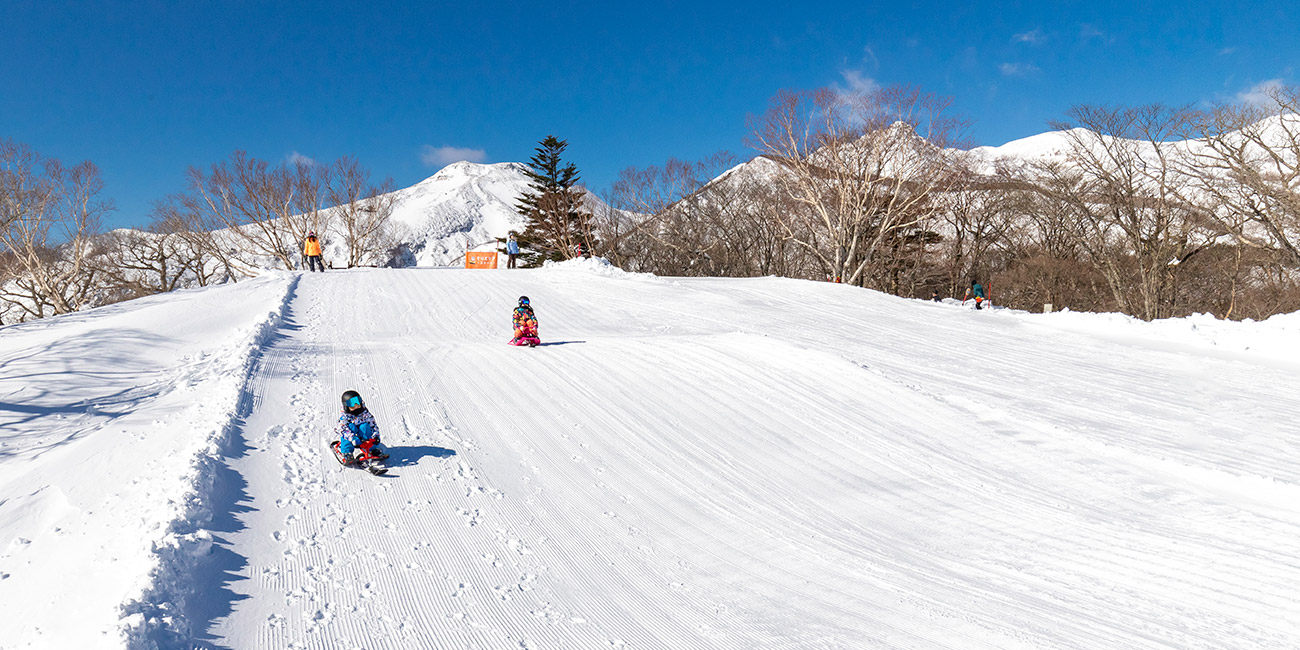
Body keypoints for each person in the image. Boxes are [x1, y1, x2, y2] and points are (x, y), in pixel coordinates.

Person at [337, 390, 387, 462]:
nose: (356, 405)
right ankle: (347, 451)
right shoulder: (344, 416)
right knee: (350, 428)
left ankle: (370, 449)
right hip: (351, 433)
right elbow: (342, 428)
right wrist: (352, 438)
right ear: (346, 405)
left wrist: (375, 436)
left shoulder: (364, 412)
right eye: (351, 403)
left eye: (357, 401)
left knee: (365, 426)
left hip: (361, 431)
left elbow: (373, 425)